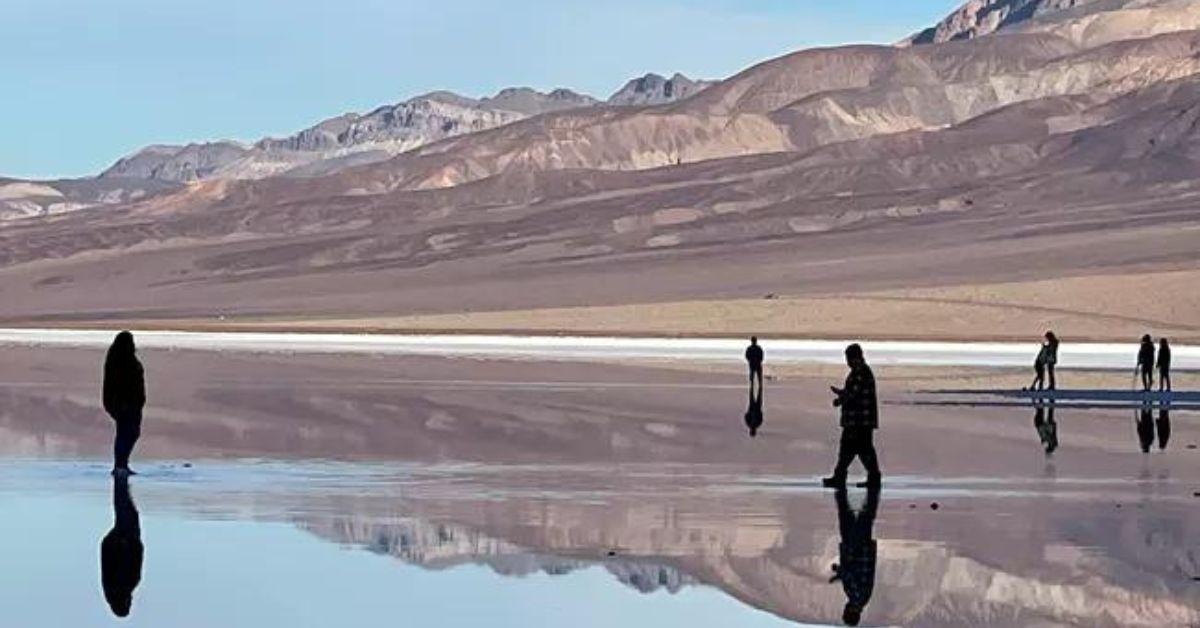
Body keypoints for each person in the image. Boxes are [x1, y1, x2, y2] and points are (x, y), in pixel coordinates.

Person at [823, 344, 881, 488]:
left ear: (855, 357)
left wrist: (840, 397)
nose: (847, 362)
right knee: (854, 450)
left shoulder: (861, 372)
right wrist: (842, 396)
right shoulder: (859, 371)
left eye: (848, 358)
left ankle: (845, 477)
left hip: (859, 420)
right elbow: (853, 392)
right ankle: (846, 476)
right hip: (859, 420)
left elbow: (853, 394)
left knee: (858, 449)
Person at [829, 486, 880, 626]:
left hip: (857, 549)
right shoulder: (857, 598)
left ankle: (844, 486)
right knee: (861, 515)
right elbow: (850, 574)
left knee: (853, 515)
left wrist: (839, 573)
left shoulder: (860, 598)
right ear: (850, 612)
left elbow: (852, 575)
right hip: (858, 549)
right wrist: (838, 572)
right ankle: (872, 484)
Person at [100, 474, 144, 618]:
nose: (131, 602)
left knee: (125, 507)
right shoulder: (123, 585)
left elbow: (135, 560)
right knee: (126, 508)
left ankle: (121, 475)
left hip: (125, 538)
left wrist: (122, 541)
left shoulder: (122, 584)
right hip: (126, 538)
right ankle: (121, 478)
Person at [103, 331, 146, 476]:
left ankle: (122, 464)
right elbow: (117, 384)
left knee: (130, 432)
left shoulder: (126, 359)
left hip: (130, 403)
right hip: (124, 403)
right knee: (126, 433)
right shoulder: (120, 361)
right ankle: (120, 465)